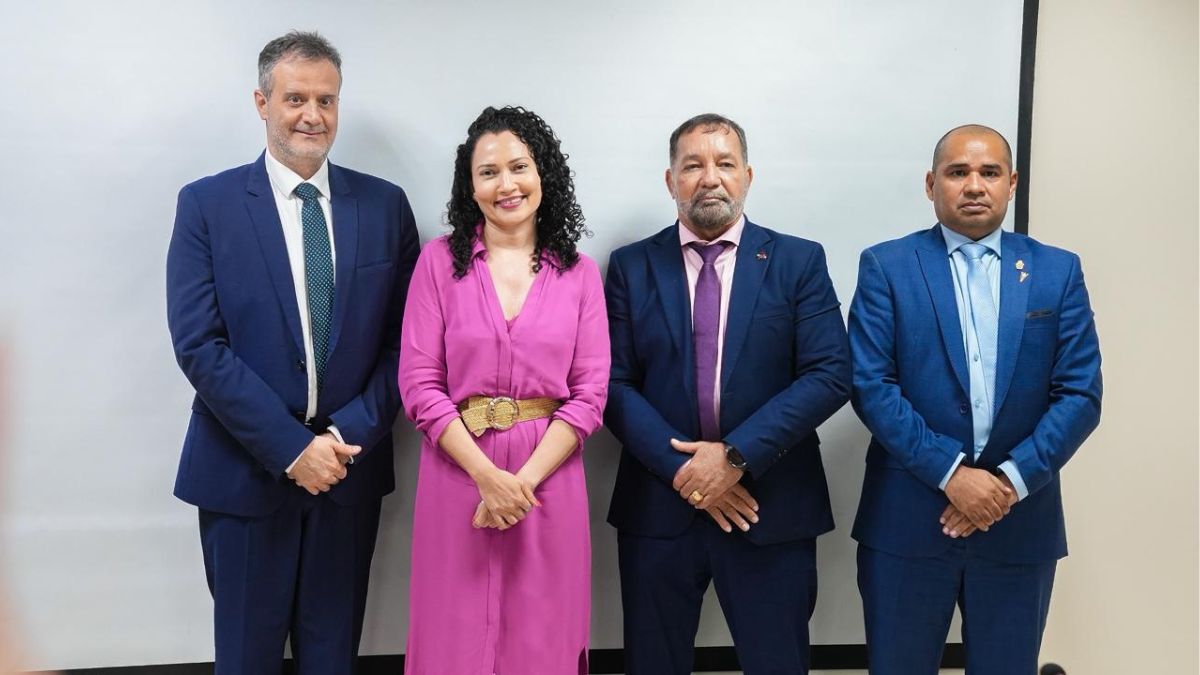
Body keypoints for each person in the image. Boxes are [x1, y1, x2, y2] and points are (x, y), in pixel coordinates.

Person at [166, 31, 420, 674]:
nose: (313, 115)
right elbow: (199, 345)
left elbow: (408, 343)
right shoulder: (206, 205)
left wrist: (341, 437)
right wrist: (291, 448)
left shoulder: (385, 206)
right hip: (242, 474)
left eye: (326, 100)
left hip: (348, 472)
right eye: (296, 98)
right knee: (246, 659)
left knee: (332, 657)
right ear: (262, 103)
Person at [849, 124, 1102, 674]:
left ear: (1012, 183)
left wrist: (1007, 484)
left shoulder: (1057, 270)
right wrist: (952, 474)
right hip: (908, 523)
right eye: (957, 172)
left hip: (1020, 524)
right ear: (930, 184)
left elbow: (1081, 393)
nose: (973, 185)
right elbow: (871, 386)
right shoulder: (887, 266)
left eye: (989, 173)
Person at [604, 113, 851, 675]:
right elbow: (612, 384)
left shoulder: (798, 261)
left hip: (770, 505)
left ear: (748, 176)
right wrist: (689, 473)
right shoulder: (632, 266)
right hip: (660, 508)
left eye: (725, 163)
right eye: (693, 165)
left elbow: (830, 373)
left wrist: (734, 458)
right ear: (671, 180)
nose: (710, 177)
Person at [398, 106, 609, 675]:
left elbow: (590, 395)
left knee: (542, 637)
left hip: (548, 481)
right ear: (470, 187)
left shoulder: (581, 274)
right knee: (452, 636)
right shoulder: (438, 263)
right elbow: (418, 383)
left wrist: (522, 484)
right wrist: (487, 477)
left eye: (519, 167)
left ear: (544, 174)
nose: (506, 185)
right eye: (488, 172)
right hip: (457, 475)